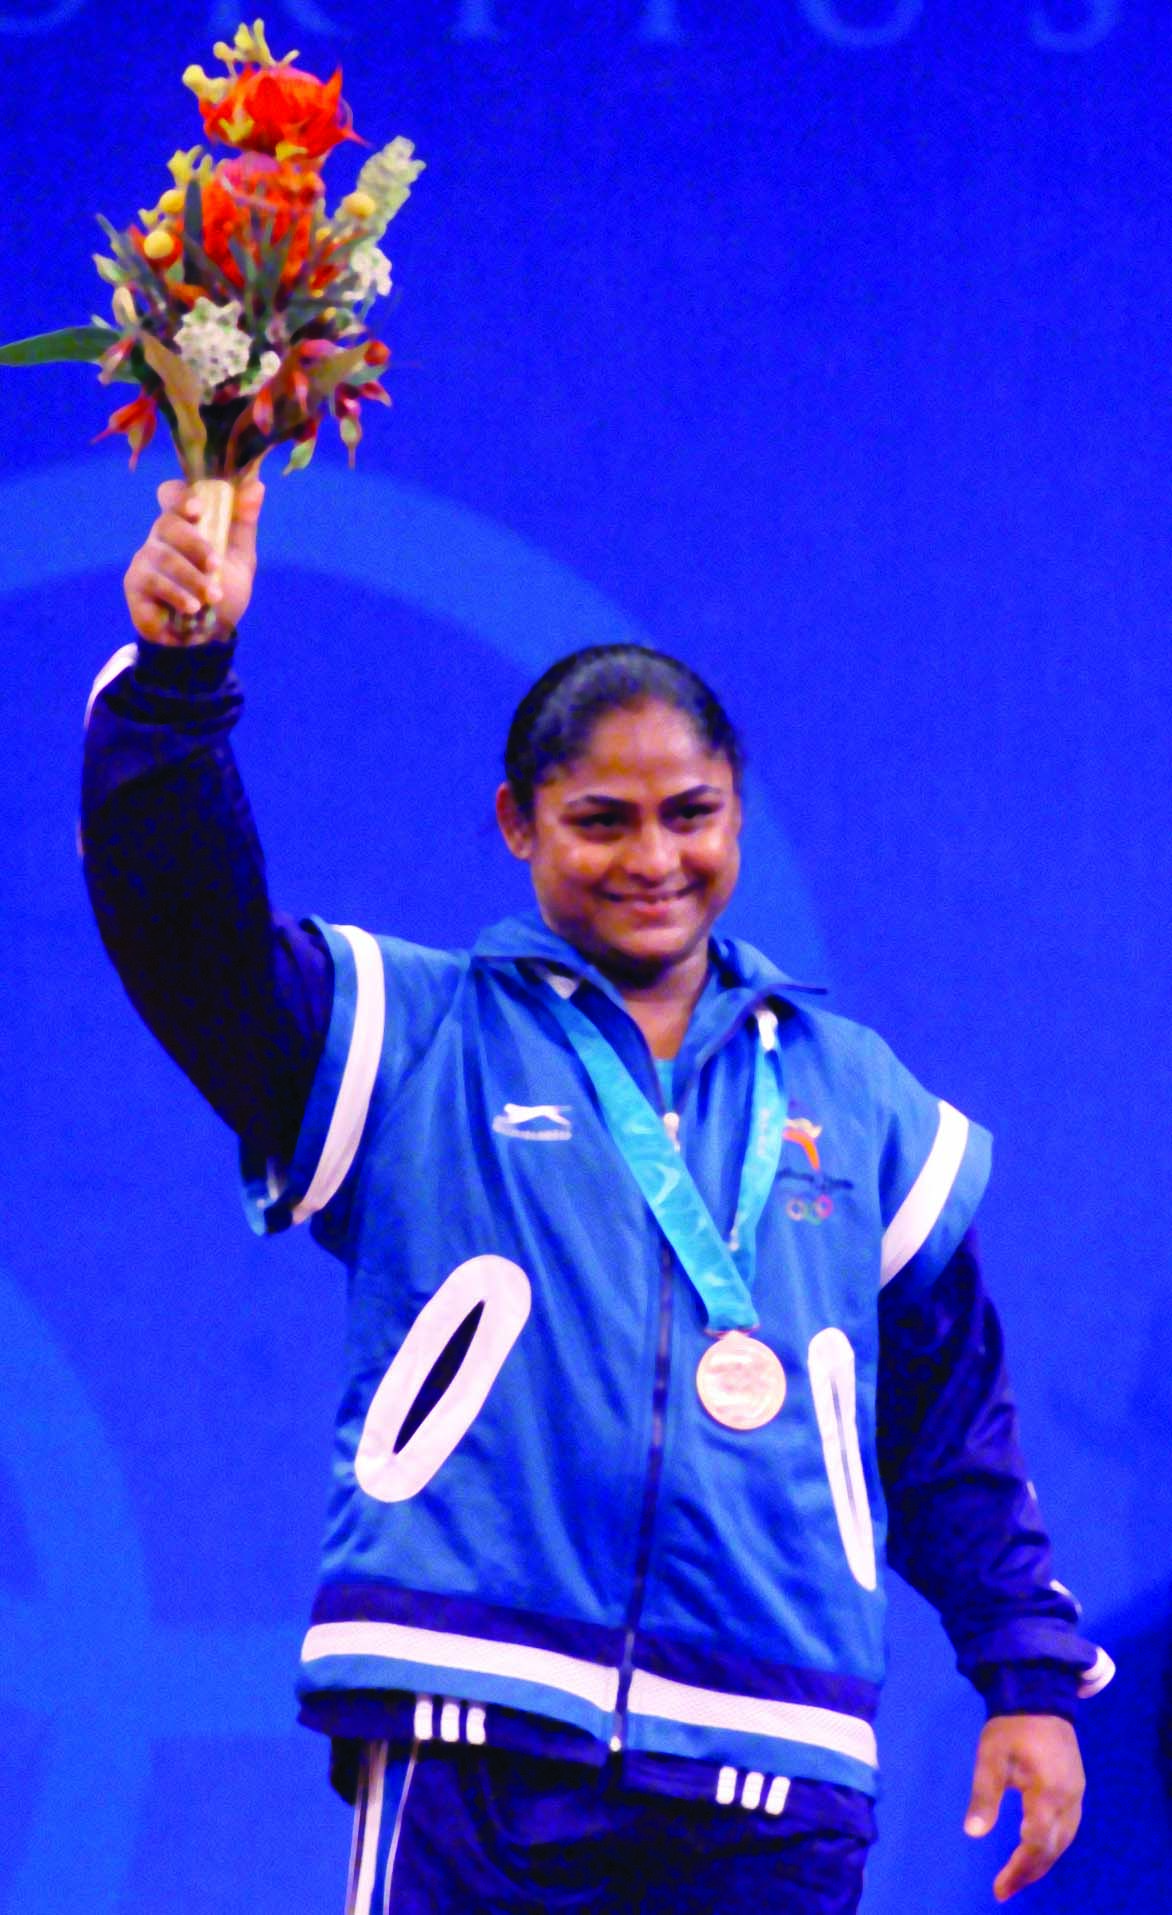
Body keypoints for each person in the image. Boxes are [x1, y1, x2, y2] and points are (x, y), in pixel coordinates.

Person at [81, 477, 1112, 1914]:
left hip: (776, 1756)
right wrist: (179, 685)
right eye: (603, 820)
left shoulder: (858, 1096)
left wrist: (1027, 1675)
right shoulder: (418, 1038)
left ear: (737, 812)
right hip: (478, 1733)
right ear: (519, 821)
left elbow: (949, 1423)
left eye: (692, 815)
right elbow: (185, 936)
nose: (655, 860)